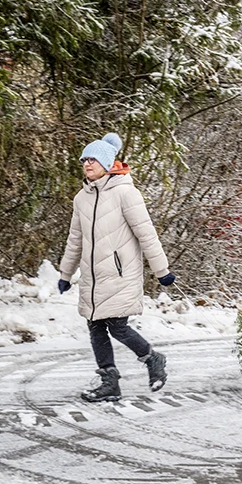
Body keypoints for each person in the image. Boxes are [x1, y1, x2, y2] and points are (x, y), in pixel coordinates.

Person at [59, 133, 174, 403]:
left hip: (120, 273)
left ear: (107, 162)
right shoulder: (81, 198)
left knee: (117, 326)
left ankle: (152, 358)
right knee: (95, 326)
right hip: (93, 277)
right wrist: (66, 273)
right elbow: (75, 239)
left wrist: (162, 271)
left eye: (93, 159)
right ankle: (109, 382)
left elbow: (146, 234)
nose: (87, 164)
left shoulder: (126, 193)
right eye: (84, 159)